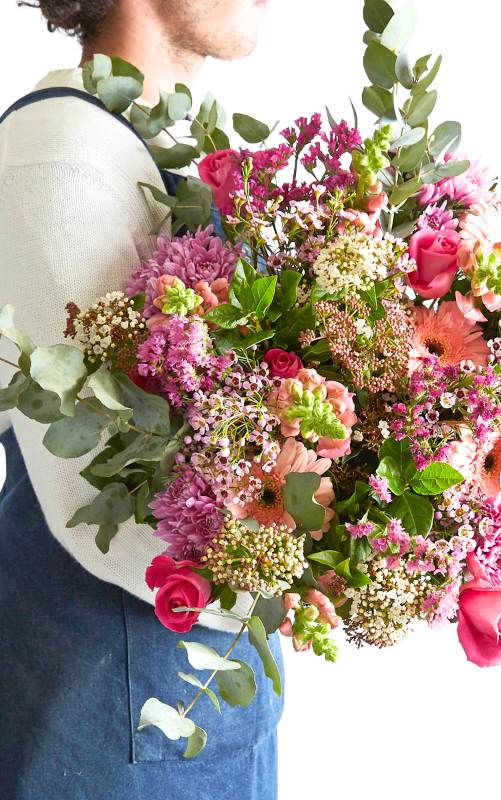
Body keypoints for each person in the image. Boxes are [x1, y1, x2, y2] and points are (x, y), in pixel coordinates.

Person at [0, 3, 283, 798]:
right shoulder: (62, 157)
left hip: (198, 690)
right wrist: (318, 546)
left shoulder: (153, 145)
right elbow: (103, 499)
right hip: (109, 709)